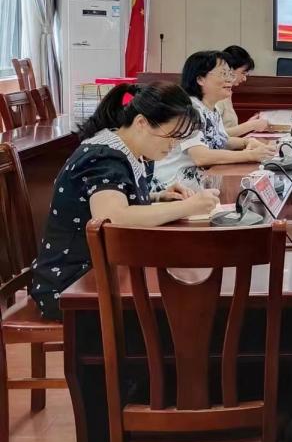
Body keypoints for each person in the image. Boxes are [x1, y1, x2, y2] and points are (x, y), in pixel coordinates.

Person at [30, 83, 220, 319]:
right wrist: (188, 206)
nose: (173, 146)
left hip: (101, 270)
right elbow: (113, 217)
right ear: (141, 123)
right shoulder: (104, 157)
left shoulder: (130, 149)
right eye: (170, 136)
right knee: (184, 310)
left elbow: (114, 196)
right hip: (71, 287)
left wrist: (158, 196)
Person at [152, 50, 275, 190]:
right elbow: (201, 157)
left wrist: (247, 142)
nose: (230, 80)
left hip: (201, 187)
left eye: (230, 74)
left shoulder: (211, 109)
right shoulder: (190, 110)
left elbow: (221, 140)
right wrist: (250, 155)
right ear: (200, 79)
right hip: (174, 191)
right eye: (223, 74)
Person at [218, 45, 270, 138]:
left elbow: (227, 131)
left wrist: (250, 124)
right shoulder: (216, 94)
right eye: (243, 73)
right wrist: (250, 125)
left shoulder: (228, 92)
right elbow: (215, 136)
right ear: (229, 69)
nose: (245, 78)